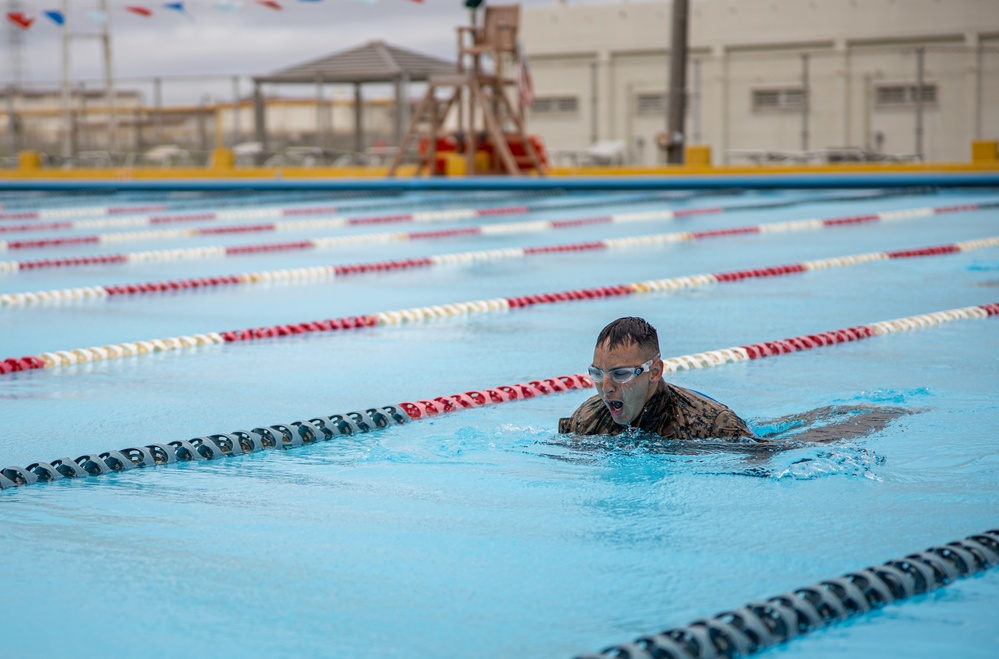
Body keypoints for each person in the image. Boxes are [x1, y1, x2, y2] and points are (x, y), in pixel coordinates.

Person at [558, 316, 754, 440]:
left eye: (620, 374)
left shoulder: (715, 425)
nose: (606, 387)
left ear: (654, 372)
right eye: (597, 374)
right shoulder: (586, 420)